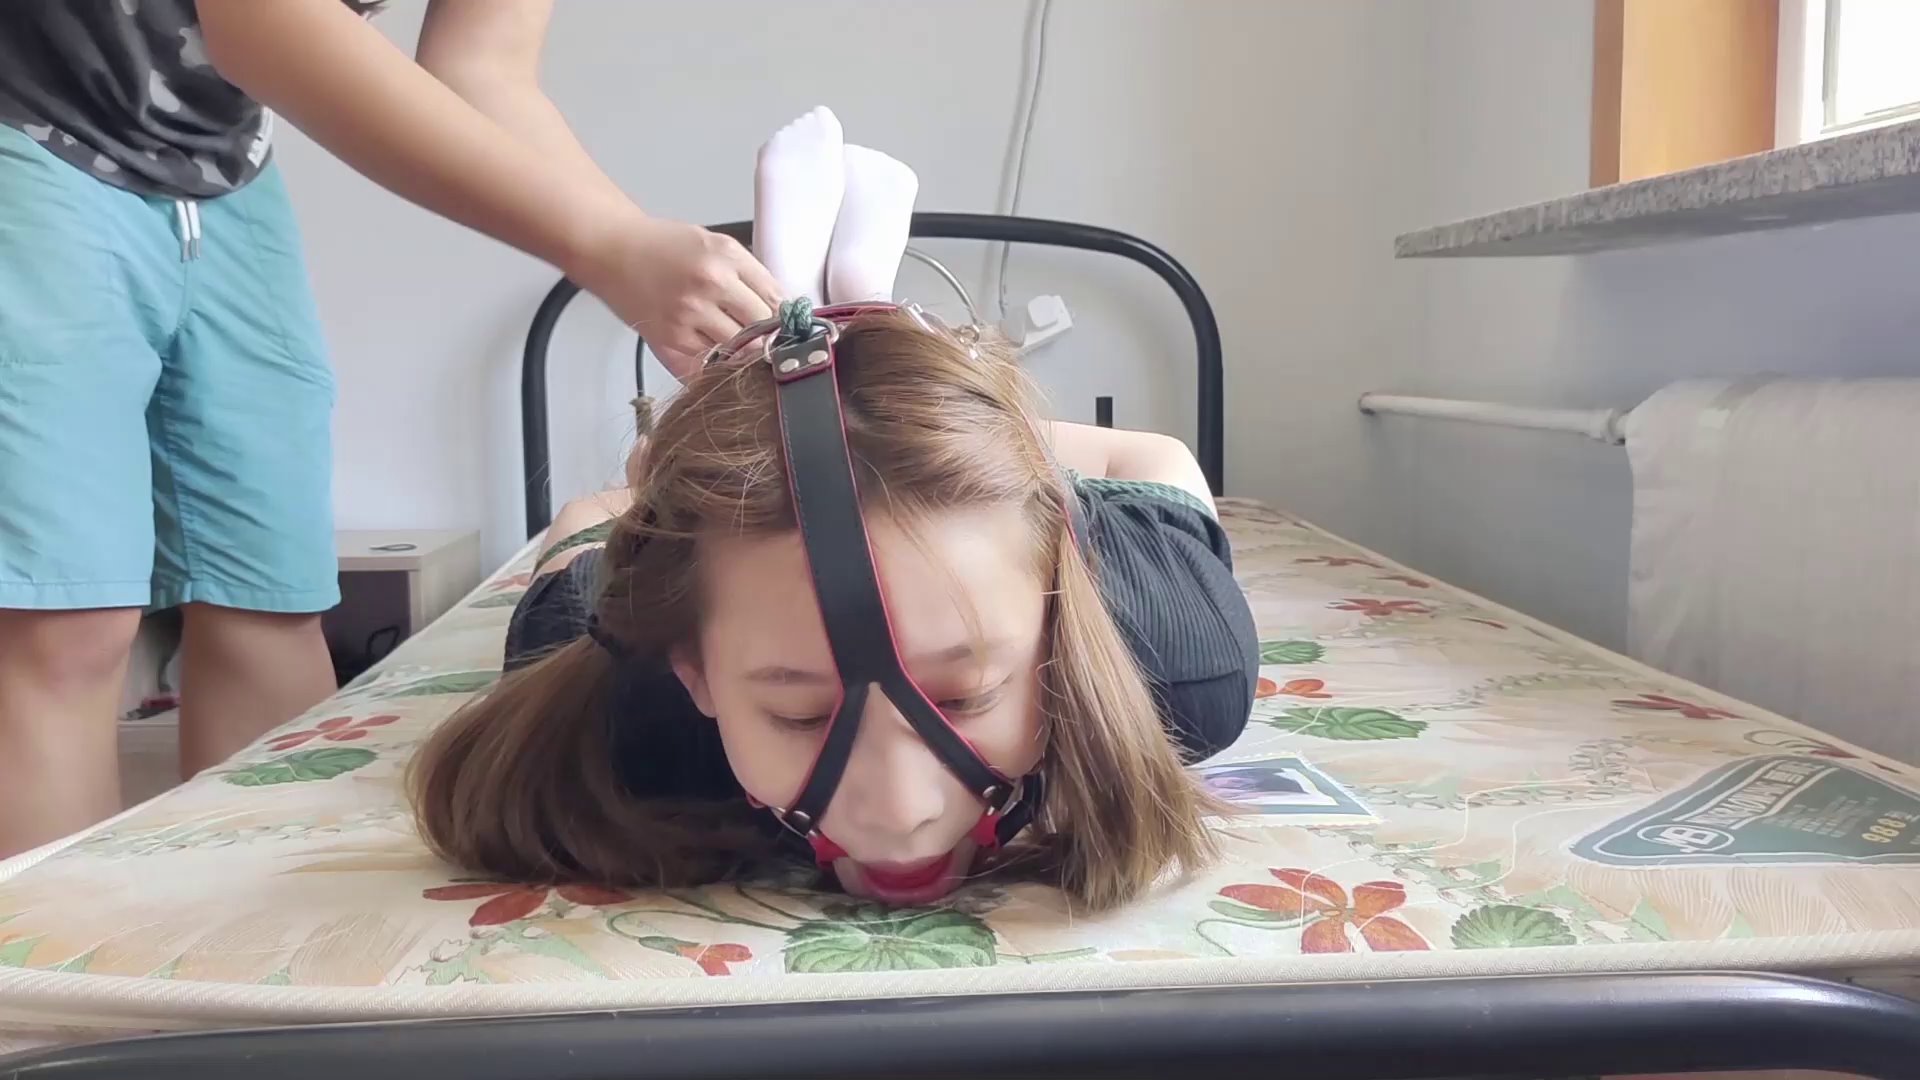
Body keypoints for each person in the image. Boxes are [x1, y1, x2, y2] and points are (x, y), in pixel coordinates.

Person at [0, 0, 781, 859]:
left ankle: (262, 915)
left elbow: (481, 69)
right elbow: (263, 24)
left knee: (270, 595)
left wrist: (637, 249)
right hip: (25, 112)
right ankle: (45, 947)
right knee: (61, 619)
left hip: (218, 166)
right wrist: (609, 248)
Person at [410, 308, 1261, 911]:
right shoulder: (606, 713)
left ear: (1053, 637)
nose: (900, 812)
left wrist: (979, 431)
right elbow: (589, 518)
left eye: (965, 696)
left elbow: (1149, 456)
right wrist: (669, 474)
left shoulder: (1186, 663)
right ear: (694, 671)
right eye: (800, 713)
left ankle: (869, 337)